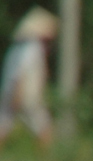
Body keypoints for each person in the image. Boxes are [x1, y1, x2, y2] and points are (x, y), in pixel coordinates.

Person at [0, 8, 55, 149]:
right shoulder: (33, 48)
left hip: (9, 92)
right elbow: (21, 73)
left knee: (4, 126)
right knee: (45, 130)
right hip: (25, 96)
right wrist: (19, 94)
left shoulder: (15, 49)